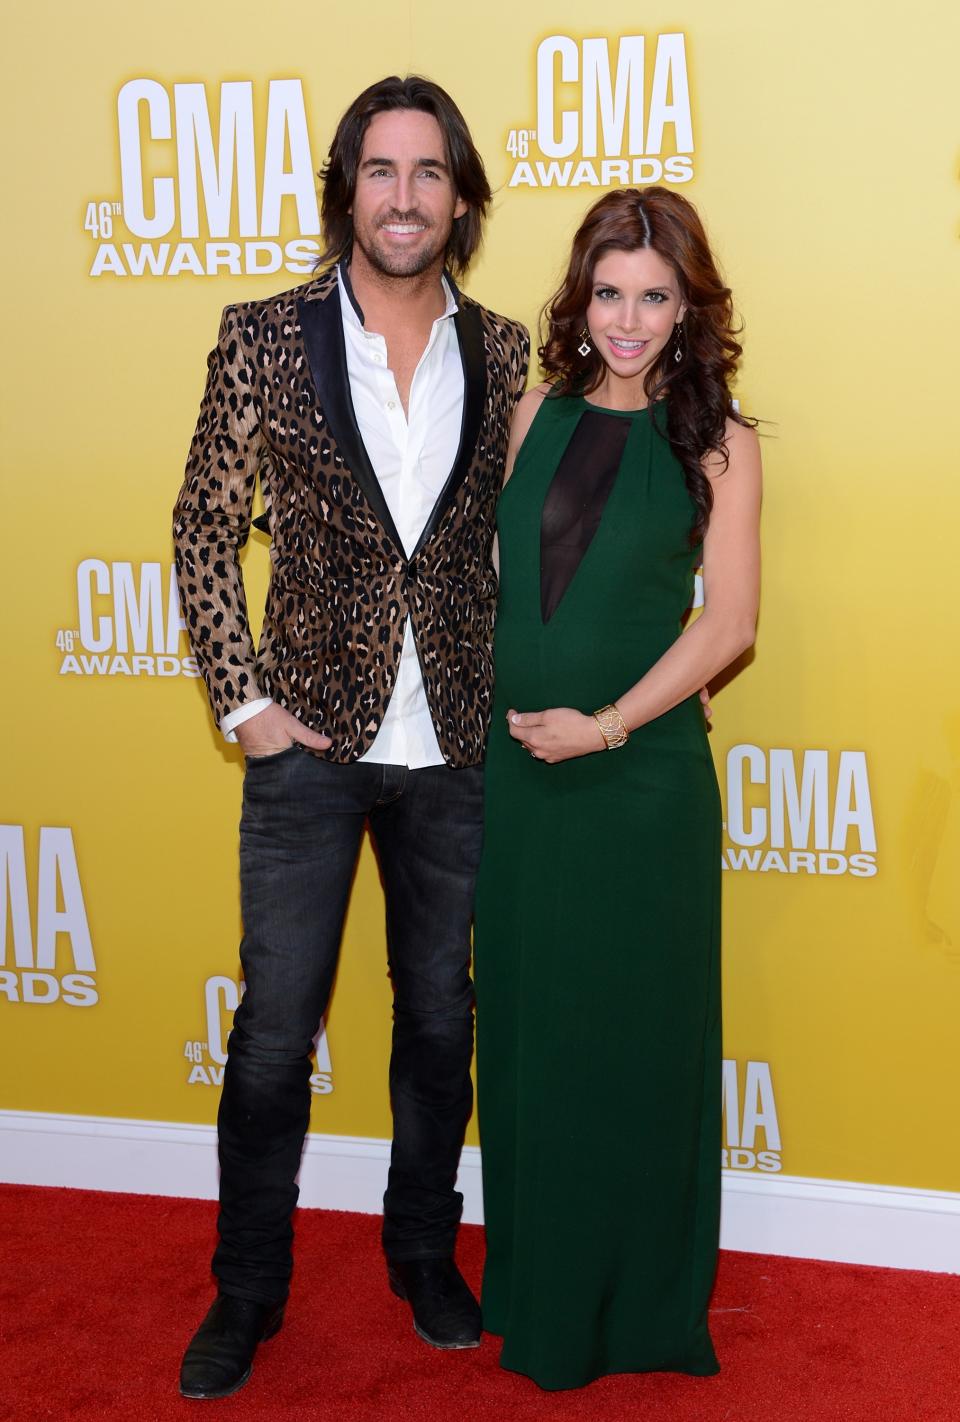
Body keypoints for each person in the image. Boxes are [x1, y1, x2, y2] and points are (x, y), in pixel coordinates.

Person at [172, 75, 528, 1400]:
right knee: (275, 1027)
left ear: (460, 195)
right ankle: (249, 1288)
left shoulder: (504, 353)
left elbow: (515, 542)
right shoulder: (265, 332)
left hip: (456, 747)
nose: (404, 196)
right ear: (347, 188)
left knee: (440, 1015)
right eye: (380, 170)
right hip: (308, 747)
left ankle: (422, 1252)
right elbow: (206, 519)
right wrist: (244, 703)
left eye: (429, 172)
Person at [474, 186, 762, 1390]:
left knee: (632, 1047)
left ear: (689, 307)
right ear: (579, 298)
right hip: (519, 786)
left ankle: (641, 1308)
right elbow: (501, 574)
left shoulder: (721, 441)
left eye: (656, 296)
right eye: (610, 293)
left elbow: (731, 625)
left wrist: (605, 724)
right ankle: (539, 1293)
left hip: (636, 787)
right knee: (535, 1040)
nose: (631, 319)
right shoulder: (533, 407)